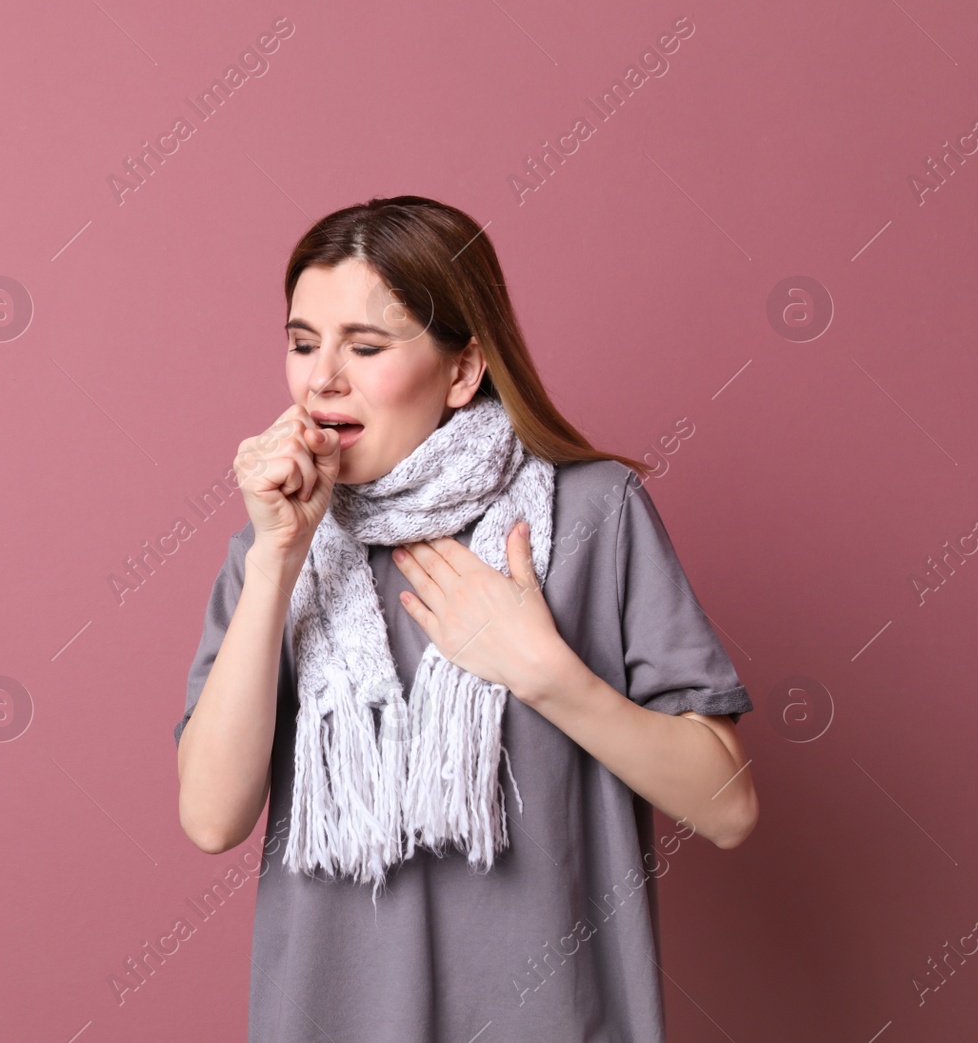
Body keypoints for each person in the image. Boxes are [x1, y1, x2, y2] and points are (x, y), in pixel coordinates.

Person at [173, 195, 757, 1042]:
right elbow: (211, 817)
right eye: (303, 343)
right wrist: (274, 562)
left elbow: (729, 806)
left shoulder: (594, 514)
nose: (322, 377)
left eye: (366, 346)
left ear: (462, 370)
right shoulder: (276, 547)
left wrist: (545, 672)